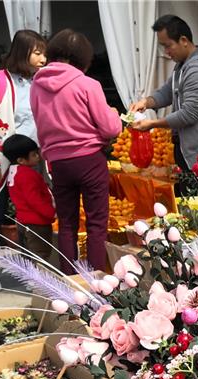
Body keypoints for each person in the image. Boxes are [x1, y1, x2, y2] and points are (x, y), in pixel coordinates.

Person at [30, 29, 121, 274]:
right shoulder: (87, 84)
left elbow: (39, 122)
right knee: (96, 223)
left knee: (67, 224)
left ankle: (70, 282)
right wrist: (114, 115)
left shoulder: (36, 85)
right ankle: (97, 282)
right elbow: (110, 128)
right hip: (89, 159)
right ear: (83, 57)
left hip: (58, 163)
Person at [0, 29, 45, 292]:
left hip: (33, 160)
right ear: (23, 52)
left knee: (33, 215)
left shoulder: (41, 80)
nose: (43, 58)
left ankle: (33, 270)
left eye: (44, 52)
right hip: (1, 159)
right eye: (38, 52)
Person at [129, 15, 198, 194]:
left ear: (184, 40)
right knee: (189, 205)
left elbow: (189, 114)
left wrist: (152, 124)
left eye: (167, 45)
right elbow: (168, 91)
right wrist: (146, 102)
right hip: (189, 151)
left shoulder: (197, 70)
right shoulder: (183, 66)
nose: (166, 51)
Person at [1, 134, 54, 262]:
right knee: (40, 255)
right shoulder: (28, 175)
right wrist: (50, 213)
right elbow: (34, 199)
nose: (38, 157)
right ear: (21, 160)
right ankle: (40, 281)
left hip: (22, 221)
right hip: (37, 222)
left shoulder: (13, 172)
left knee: (27, 255)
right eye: (34, 154)